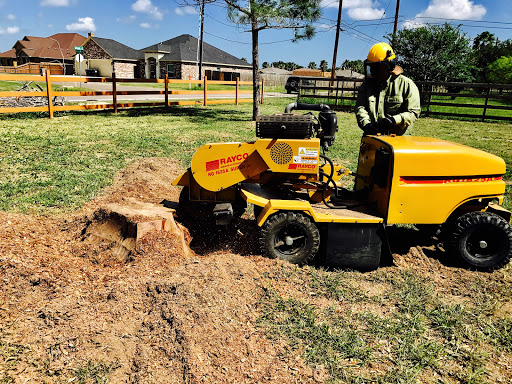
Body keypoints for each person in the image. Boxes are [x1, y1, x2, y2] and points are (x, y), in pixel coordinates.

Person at [355, 42, 420, 136]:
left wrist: (393, 120)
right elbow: (360, 108)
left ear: (390, 66)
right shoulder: (366, 86)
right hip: (372, 137)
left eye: (377, 68)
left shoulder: (406, 84)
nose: (373, 71)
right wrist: (366, 125)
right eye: (371, 67)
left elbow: (414, 112)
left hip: (398, 140)